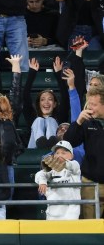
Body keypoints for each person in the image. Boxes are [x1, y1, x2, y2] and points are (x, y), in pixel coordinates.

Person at [64, 85, 104, 219]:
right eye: (89, 103)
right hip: (90, 182)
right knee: (89, 224)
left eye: (94, 104)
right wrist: (78, 122)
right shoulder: (86, 122)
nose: (89, 107)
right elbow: (69, 143)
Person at [35, 140, 81, 220]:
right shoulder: (51, 170)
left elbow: (71, 165)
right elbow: (39, 174)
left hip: (70, 212)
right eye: (57, 153)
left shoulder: (75, 166)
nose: (59, 155)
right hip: (52, 212)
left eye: (63, 153)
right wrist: (42, 182)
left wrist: (63, 163)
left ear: (71, 156)